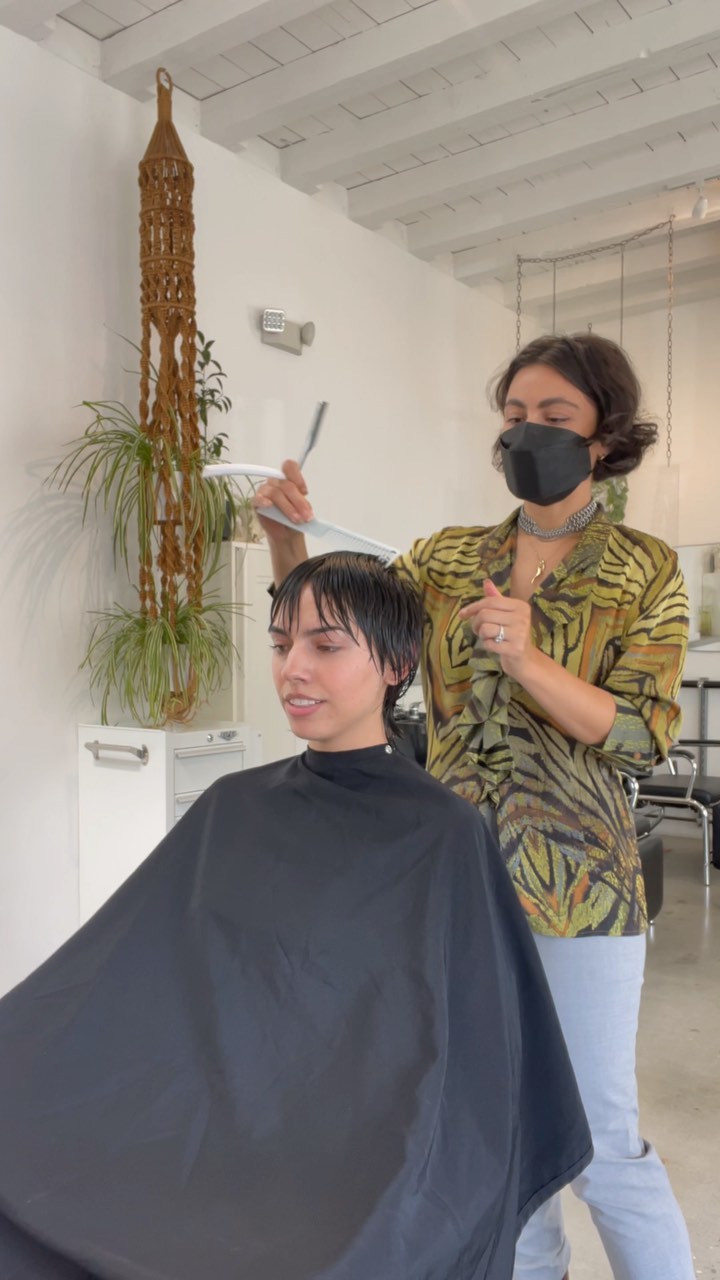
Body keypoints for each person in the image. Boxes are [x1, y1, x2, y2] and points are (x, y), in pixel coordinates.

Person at [0, 552, 591, 1279]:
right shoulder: (233, 806)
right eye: (281, 645)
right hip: (218, 1130)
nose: (293, 670)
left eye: (326, 646)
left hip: (358, 1160)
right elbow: (122, 972)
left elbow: (474, 1059)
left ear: (398, 664)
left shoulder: (445, 834)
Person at [253, 333, 695, 1280]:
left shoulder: (645, 569)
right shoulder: (447, 559)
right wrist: (287, 536)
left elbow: (641, 734)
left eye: (555, 417)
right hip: (453, 879)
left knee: (599, 1139)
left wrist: (528, 661)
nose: (529, 433)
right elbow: (343, 632)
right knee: (497, 1129)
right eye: (515, 416)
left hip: (581, 889)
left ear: (605, 436)